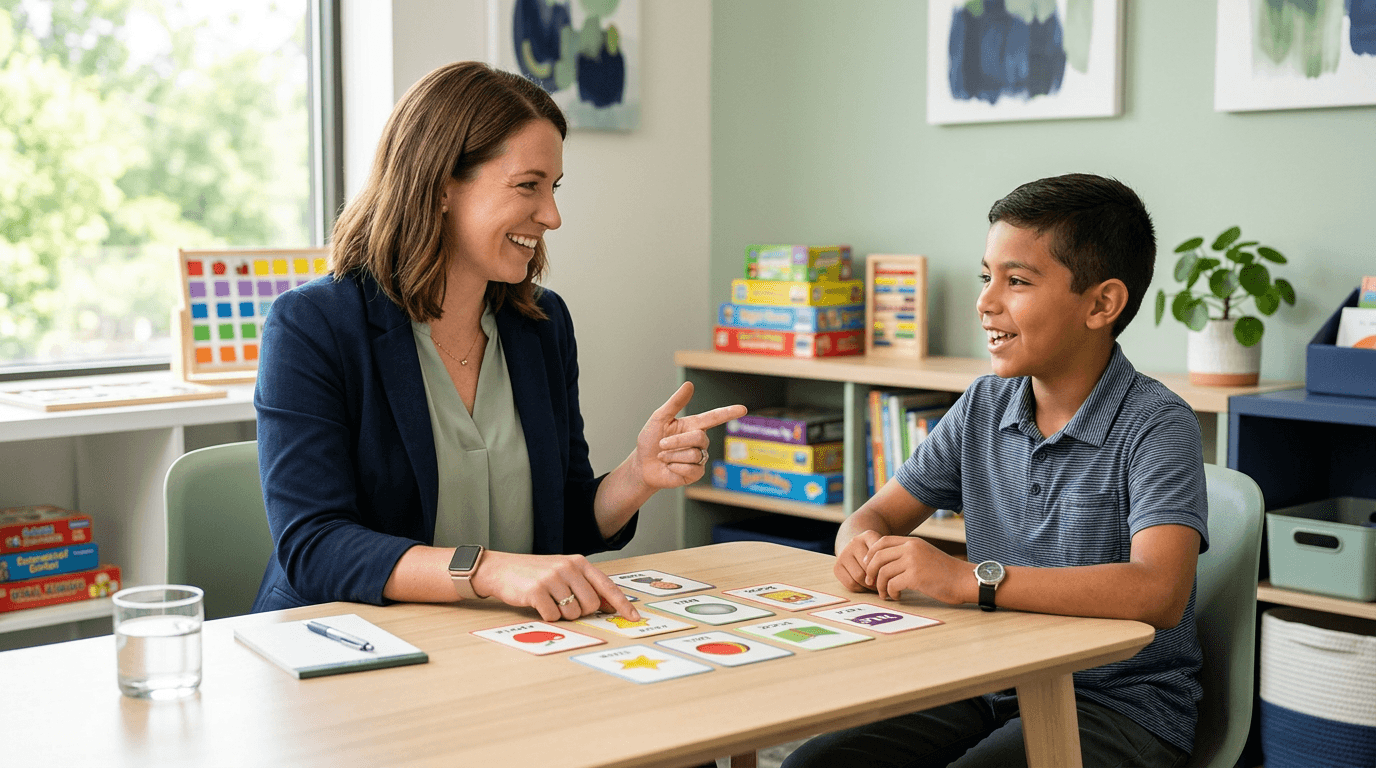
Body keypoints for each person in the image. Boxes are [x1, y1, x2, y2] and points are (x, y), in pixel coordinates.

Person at [250, 61, 744, 623]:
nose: (553, 216)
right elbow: (315, 546)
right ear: (440, 187)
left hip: (505, 644)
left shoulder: (542, 324)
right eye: (528, 186)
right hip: (353, 641)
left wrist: (638, 474)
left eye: (552, 188)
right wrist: (489, 571)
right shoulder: (312, 326)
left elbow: (560, 527)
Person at [783, 174, 1208, 768]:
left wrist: (970, 580)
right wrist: (859, 544)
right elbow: (875, 514)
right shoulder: (983, 406)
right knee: (815, 764)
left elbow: (1159, 591)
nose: (986, 301)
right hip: (990, 679)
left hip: (1117, 704)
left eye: (1017, 281)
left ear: (1101, 304)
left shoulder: (1157, 423)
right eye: (988, 276)